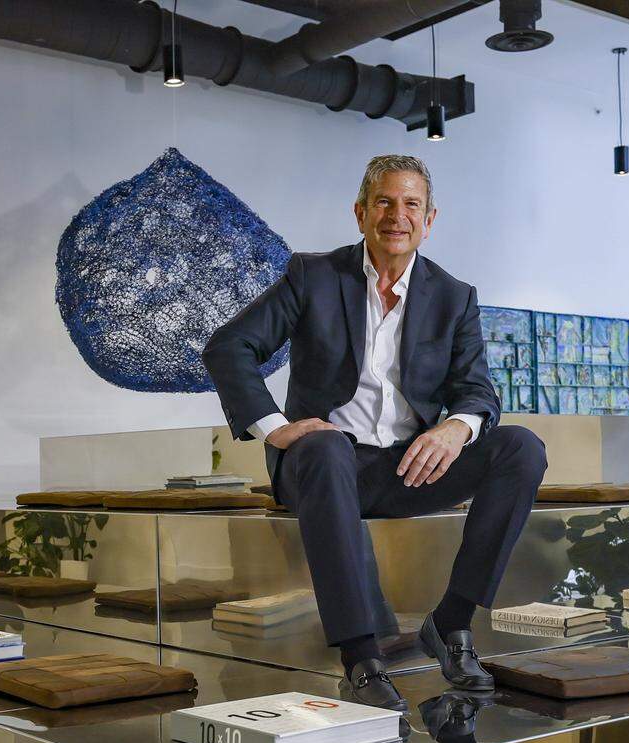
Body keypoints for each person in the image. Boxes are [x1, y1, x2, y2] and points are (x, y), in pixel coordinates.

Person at [203, 155, 547, 710]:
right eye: (384, 202)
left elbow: (478, 392)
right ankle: (361, 656)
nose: (397, 216)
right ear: (361, 213)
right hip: (324, 468)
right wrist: (275, 429)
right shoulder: (313, 276)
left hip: (410, 468)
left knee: (522, 448)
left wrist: (454, 430)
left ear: (429, 220)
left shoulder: (454, 296)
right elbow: (229, 346)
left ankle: (452, 625)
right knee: (326, 446)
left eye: (411, 204)